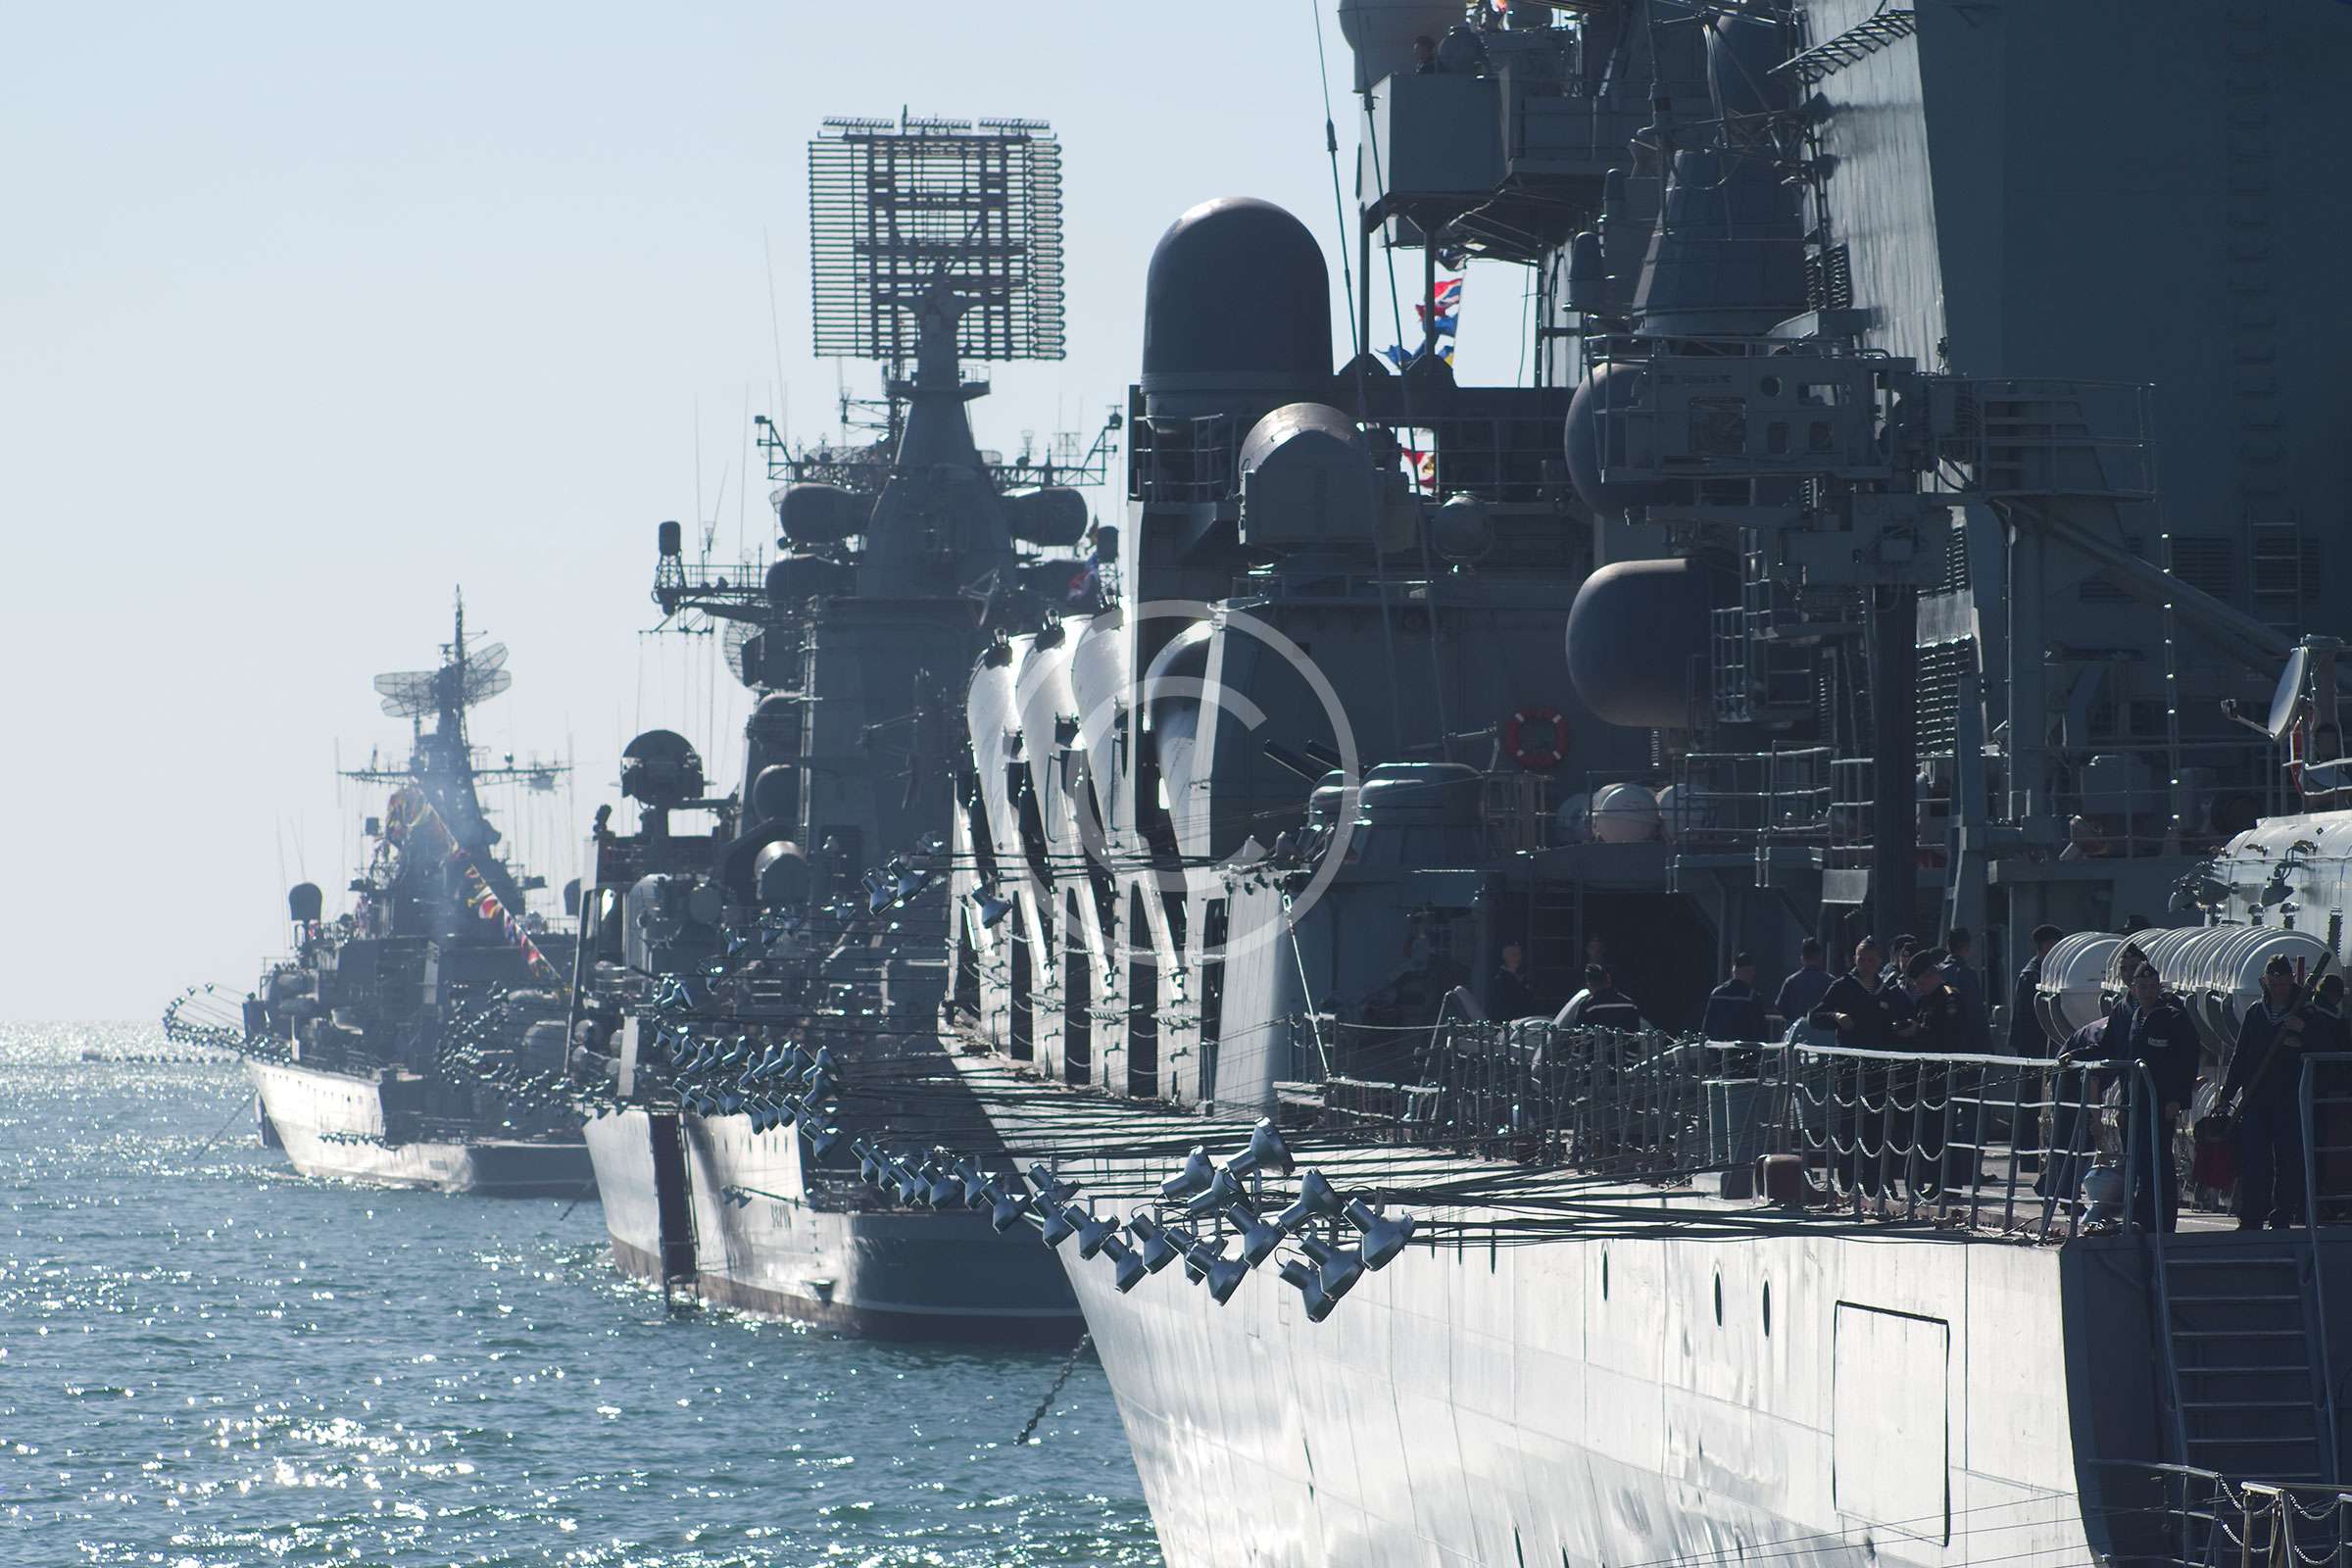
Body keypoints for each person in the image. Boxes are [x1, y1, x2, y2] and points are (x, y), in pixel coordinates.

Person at [2094, 963, 2202, 1232]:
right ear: (2134, 989)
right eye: (2142, 987)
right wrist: (2123, 1104)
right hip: (2136, 1101)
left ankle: (2163, 1222)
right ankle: (2144, 1217)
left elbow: (2187, 1061)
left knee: (2159, 1161)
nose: (2148, 992)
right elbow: (2122, 1057)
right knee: (2141, 1161)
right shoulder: (2135, 1017)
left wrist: (2177, 1099)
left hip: (2161, 1102)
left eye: (2153, 987)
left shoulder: (2173, 1018)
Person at [2221, 956, 2314, 1230]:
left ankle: (2282, 1213)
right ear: (2266, 982)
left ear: (2291, 981)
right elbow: (2240, 1056)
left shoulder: (2306, 1012)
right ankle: (2252, 1214)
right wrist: (2227, 1095)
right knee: (2254, 1159)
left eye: (2283, 984)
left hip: (2289, 1099)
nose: (2278, 990)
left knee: (2287, 1158)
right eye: (2274, 984)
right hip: (2256, 1097)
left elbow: (2329, 1045)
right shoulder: (2256, 1013)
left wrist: (2304, 1032)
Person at [2010, 924, 2065, 1056]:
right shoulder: (2031, 975)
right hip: (2032, 1042)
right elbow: (2026, 1016)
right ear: (2046, 946)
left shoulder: (2048, 972)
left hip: (2043, 1040)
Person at [1939, 928, 1988, 1053]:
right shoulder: (1967, 973)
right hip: (1965, 1038)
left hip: (1942, 1034)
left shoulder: (1938, 972)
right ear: (1966, 947)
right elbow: (1975, 1010)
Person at [1702, 954, 1768, 1043]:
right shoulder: (1752, 996)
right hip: (1743, 1047)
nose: (1753, 974)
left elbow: (1707, 1026)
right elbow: (1760, 1029)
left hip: (1718, 1046)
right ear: (1747, 971)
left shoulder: (1716, 993)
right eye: (1752, 971)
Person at [1556, 964, 1642, 1031]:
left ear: (1589, 983)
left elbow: (1579, 1036)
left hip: (1597, 1049)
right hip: (1624, 1049)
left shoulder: (1587, 1006)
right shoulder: (1629, 1004)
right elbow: (1636, 1034)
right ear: (1608, 979)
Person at [1774, 939, 1833, 1034]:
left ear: (1802, 958)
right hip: (1823, 1035)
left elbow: (1780, 1007)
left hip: (1796, 1033)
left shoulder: (1791, 981)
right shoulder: (1830, 981)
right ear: (1820, 957)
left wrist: (1792, 1018)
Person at [1486, 941, 1537, 1021]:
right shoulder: (1499, 980)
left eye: (1519, 954)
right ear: (1505, 957)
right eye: (1514, 955)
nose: (1518, 958)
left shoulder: (1523, 976)